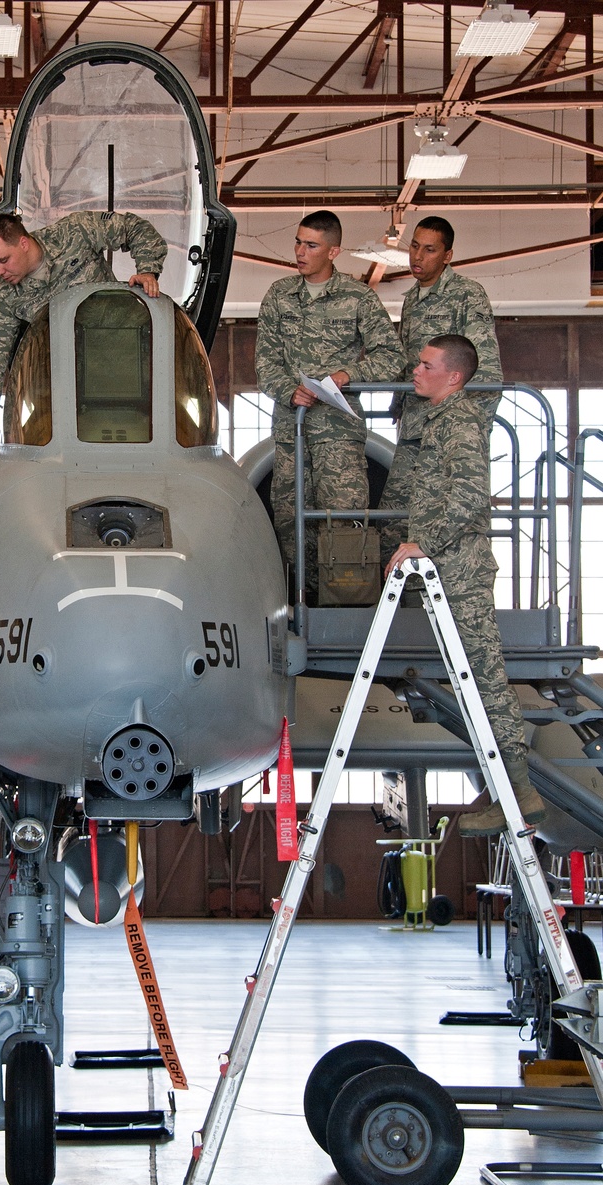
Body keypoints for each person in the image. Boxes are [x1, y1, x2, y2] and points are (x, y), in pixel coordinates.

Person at [385, 334, 545, 835]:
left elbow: (472, 494)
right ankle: (502, 787)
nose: (416, 369)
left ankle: (519, 793)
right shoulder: (440, 421)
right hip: (446, 568)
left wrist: (422, 542)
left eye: (427, 364)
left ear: (453, 376)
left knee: (484, 679)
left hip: (461, 568)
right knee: (468, 680)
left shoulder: (458, 424)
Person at [255, 210, 405, 584]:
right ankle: (298, 607)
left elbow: (392, 355)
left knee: (344, 519)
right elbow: (264, 361)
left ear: (333, 251)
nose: (300, 252)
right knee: (290, 520)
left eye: (311, 245)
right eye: (298, 242)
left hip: (338, 432)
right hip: (293, 431)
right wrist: (289, 392)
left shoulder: (358, 298)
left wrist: (348, 375)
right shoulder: (279, 296)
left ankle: (346, 606)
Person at [0, 210, 167, 470]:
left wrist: (147, 270)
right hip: (72, 389)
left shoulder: (75, 231)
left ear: (23, 243)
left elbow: (134, 227)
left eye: (3, 260)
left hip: (128, 366)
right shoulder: (4, 295)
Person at [379, 216, 503, 565]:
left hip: (448, 431)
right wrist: (398, 403)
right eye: (414, 246)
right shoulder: (413, 299)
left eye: (430, 249)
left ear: (447, 255)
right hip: (415, 430)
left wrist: (466, 429)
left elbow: (487, 372)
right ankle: (403, 610)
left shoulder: (467, 295)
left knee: (450, 519)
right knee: (393, 522)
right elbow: (411, 361)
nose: (418, 255)